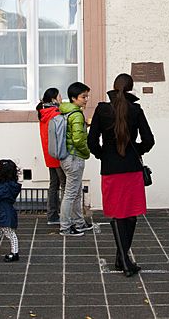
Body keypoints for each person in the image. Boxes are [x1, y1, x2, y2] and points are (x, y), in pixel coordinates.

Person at [88, 73, 155, 277]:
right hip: (131, 166)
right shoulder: (135, 109)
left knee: (118, 213)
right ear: (131, 88)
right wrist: (136, 150)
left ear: (114, 87)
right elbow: (149, 140)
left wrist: (103, 155)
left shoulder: (102, 109)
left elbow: (91, 141)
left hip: (110, 167)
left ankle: (122, 259)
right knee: (131, 214)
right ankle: (124, 259)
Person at [59, 82, 93, 237]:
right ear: (73, 98)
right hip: (74, 157)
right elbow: (78, 139)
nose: (86, 99)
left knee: (76, 191)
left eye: (87, 96)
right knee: (71, 194)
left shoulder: (66, 111)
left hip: (67, 157)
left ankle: (79, 223)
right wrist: (87, 152)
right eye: (83, 97)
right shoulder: (77, 114)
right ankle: (65, 227)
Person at [37, 88, 66, 225]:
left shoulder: (43, 112)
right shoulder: (56, 113)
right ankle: (67, 216)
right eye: (59, 95)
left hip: (49, 153)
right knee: (66, 186)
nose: (61, 98)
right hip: (59, 153)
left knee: (53, 185)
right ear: (54, 99)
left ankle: (52, 215)